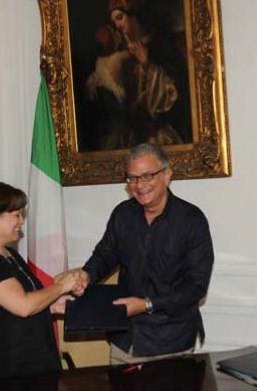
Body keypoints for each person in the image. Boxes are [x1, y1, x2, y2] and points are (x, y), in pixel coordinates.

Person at [78, 143, 214, 364]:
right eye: (132, 178)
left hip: (170, 341)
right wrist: (87, 275)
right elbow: (105, 255)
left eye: (147, 176)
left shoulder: (192, 220)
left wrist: (147, 304)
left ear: (167, 175)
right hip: (124, 338)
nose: (139, 185)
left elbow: (195, 287)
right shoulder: (123, 214)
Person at [0, 182, 85, 382]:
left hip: (28, 366)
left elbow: (8, 307)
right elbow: (23, 306)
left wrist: (52, 306)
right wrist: (60, 286)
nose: (21, 221)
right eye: (16, 214)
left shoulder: (10, 254)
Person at [84, 0, 191, 150]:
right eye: (115, 23)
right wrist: (97, 78)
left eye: (120, 18)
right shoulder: (121, 52)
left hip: (158, 134)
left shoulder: (159, 45)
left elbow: (173, 92)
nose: (118, 25)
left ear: (133, 15)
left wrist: (146, 63)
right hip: (133, 137)